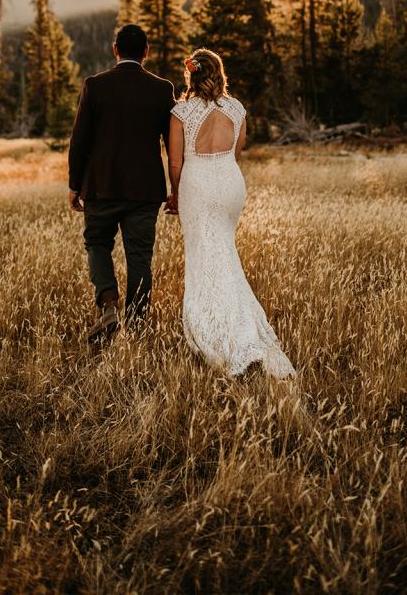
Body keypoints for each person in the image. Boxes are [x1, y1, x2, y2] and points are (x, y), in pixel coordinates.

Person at [167, 48, 295, 378]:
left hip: (197, 184)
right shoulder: (237, 109)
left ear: (191, 75)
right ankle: (238, 322)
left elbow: (176, 162)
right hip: (228, 183)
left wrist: (176, 194)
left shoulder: (181, 112)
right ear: (219, 73)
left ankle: (219, 331)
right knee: (223, 249)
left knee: (203, 255)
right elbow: (237, 152)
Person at [68, 23, 175, 341]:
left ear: (115, 50)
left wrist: (75, 185)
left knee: (98, 244)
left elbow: (80, 140)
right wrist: (176, 188)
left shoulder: (95, 85)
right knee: (139, 255)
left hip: (101, 186)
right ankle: (139, 325)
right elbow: (173, 145)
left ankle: (108, 304)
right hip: (145, 190)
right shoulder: (161, 88)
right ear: (146, 51)